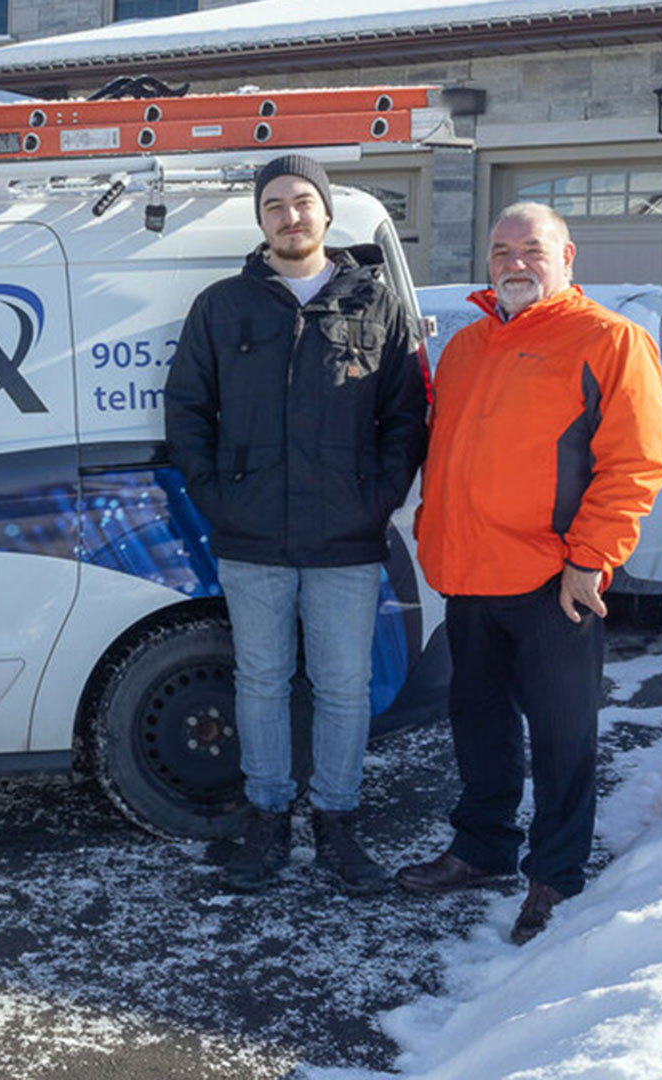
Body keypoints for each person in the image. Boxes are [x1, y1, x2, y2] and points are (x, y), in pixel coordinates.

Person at [398, 203, 662, 942]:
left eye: (532, 249)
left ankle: (554, 875)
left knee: (561, 737)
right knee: (478, 728)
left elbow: (639, 461)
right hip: (469, 578)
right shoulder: (469, 346)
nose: (515, 262)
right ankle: (482, 849)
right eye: (501, 250)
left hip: (555, 584)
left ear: (568, 255)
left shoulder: (610, 341)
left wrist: (590, 560)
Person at [164, 154, 428, 895]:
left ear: (325, 213)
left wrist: (376, 497)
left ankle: (338, 825)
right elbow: (186, 409)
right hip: (252, 538)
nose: (290, 215)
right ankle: (268, 819)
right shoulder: (222, 306)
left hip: (346, 537)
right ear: (260, 220)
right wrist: (218, 495)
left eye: (303, 201)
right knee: (262, 682)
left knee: (344, 685)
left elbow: (406, 415)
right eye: (275, 204)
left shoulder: (373, 304)